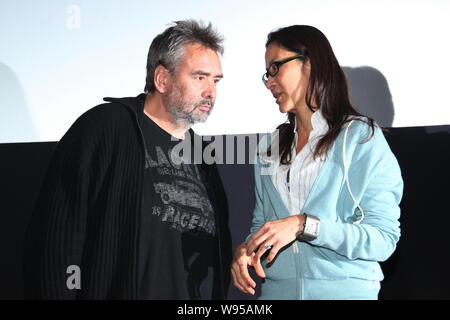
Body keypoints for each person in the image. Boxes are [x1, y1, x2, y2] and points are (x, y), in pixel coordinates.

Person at [24, 20, 231, 300]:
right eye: (199, 77)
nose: (211, 92)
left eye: (215, 80)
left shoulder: (203, 157)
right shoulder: (105, 127)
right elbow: (56, 241)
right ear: (162, 79)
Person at [231, 25, 403, 300]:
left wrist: (304, 225)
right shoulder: (269, 146)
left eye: (276, 68)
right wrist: (247, 250)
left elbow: (383, 240)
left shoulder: (360, 138)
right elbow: (262, 225)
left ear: (309, 63)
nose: (269, 82)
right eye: (267, 73)